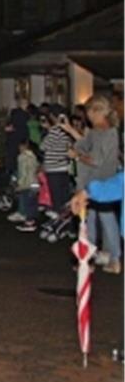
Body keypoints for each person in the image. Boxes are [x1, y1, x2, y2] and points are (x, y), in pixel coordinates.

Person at [67, 95, 120, 274]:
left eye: (89, 111)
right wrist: (70, 130)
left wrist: (78, 157)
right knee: (97, 221)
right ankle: (104, 258)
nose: (87, 115)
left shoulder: (104, 133)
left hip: (99, 183)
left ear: (96, 111)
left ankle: (99, 259)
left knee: (96, 221)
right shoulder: (103, 131)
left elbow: (95, 160)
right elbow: (84, 143)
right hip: (102, 182)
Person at [39, 110, 73, 220]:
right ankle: (67, 225)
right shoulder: (67, 131)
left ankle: (58, 224)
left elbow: (43, 146)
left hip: (53, 167)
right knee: (64, 196)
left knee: (56, 197)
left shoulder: (54, 131)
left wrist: (48, 130)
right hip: (64, 166)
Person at [8, 139, 40, 232]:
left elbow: (23, 173)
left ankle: (29, 224)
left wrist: (20, 185)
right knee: (32, 203)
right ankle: (31, 221)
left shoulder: (23, 157)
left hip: (27, 184)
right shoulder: (33, 156)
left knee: (27, 203)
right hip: (34, 184)